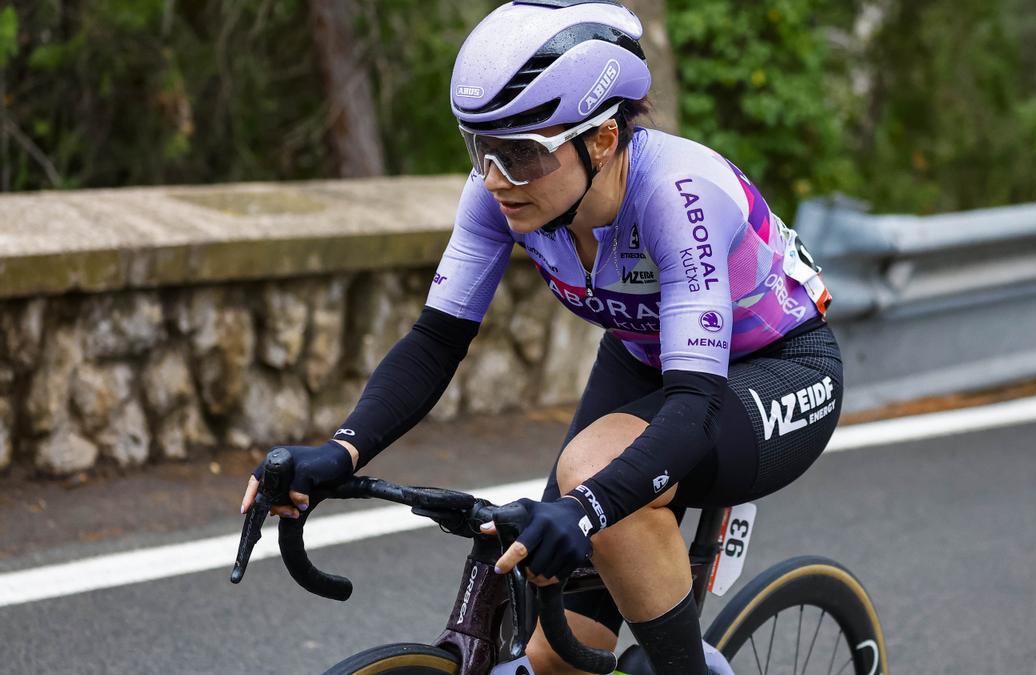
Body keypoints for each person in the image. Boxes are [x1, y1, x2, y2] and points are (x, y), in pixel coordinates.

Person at [240, 1, 844, 673]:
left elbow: (695, 404)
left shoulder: (678, 193)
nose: (496, 177)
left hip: (774, 366)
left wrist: (588, 506)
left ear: (604, 139)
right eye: (482, 148)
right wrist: (341, 452)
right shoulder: (503, 193)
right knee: (558, 658)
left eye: (523, 153)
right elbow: (435, 341)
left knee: (589, 479)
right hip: (647, 355)